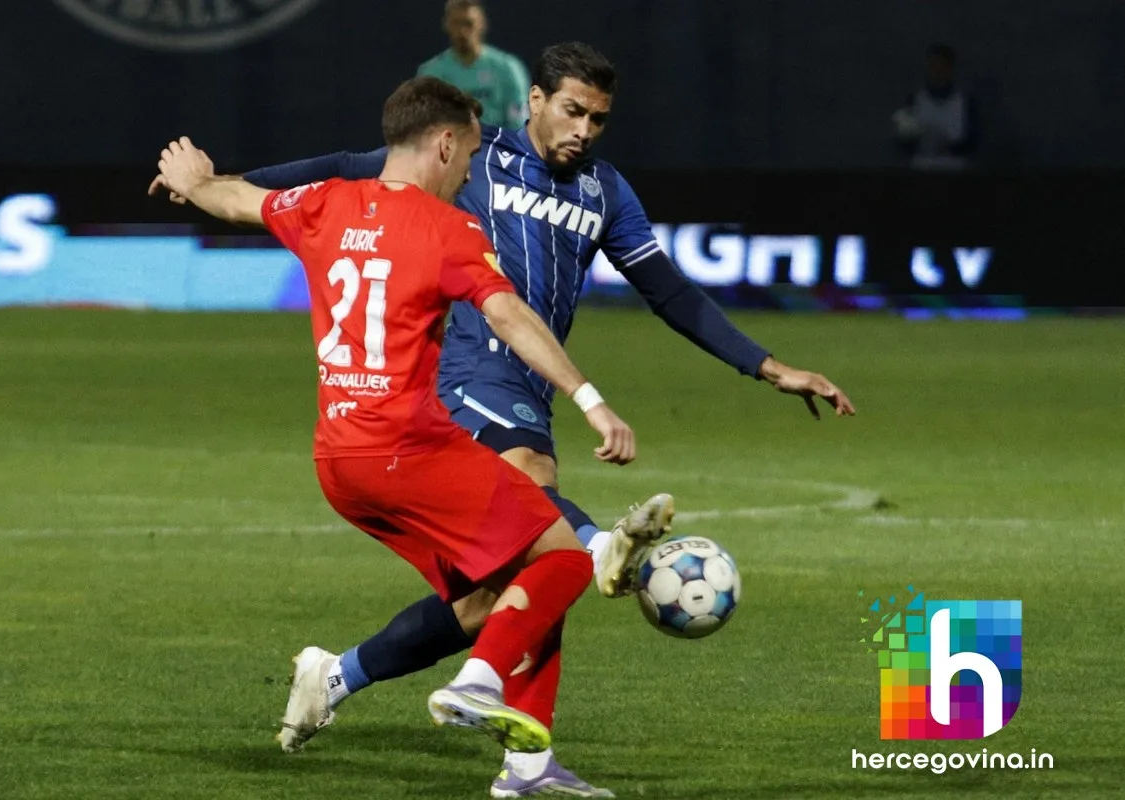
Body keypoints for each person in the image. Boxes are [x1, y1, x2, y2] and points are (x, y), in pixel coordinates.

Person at [217, 41, 856, 797]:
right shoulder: (470, 156)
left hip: (532, 385)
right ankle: (602, 548)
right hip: (462, 375)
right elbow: (346, 167)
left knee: (489, 603)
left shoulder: (603, 192)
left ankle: (345, 679)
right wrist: (223, 184)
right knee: (543, 521)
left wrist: (766, 365)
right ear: (536, 101)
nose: (583, 130)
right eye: (572, 111)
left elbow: (669, 291)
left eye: (598, 119)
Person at [150, 77, 639, 791]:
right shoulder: (448, 229)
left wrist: (194, 181)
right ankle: (478, 683)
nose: (469, 171)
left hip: (339, 462)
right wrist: (590, 399)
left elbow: (237, 200)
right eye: (468, 154)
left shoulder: (322, 204)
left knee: (506, 592)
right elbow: (507, 315)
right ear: (443, 144)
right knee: (564, 557)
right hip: (408, 449)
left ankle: (527, 768)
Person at [417, 0, 530, 129]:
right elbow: (425, 124)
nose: (462, 31)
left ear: (482, 24)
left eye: (468, 23)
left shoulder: (508, 69)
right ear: (446, 25)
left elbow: (519, 123)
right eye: (456, 23)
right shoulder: (431, 73)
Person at [892, 43, 979, 170]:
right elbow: (903, 140)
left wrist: (949, 147)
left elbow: (973, 140)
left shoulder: (965, 103)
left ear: (951, 68)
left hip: (955, 171)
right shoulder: (914, 101)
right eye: (933, 65)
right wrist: (924, 143)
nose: (938, 70)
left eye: (942, 65)